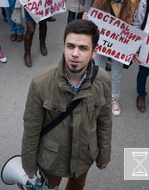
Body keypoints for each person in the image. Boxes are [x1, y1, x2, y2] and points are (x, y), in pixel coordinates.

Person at [21, 19, 112, 190]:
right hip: (52, 159)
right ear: (63, 47)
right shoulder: (41, 83)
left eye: (83, 48)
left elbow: (105, 121)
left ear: (94, 52)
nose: (75, 53)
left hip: (85, 155)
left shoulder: (103, 81)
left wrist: (104, 155)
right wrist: (29, 165)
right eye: (70, 46)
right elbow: (31, 128)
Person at [89, 0, 137, 116]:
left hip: (120, 44)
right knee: (99, 70)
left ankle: (114, 99)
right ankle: (97, 97)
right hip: (103, 42)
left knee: (116, 73)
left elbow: (131, 23)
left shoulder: (132, 0)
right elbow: (95, 21)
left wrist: (132, 45)